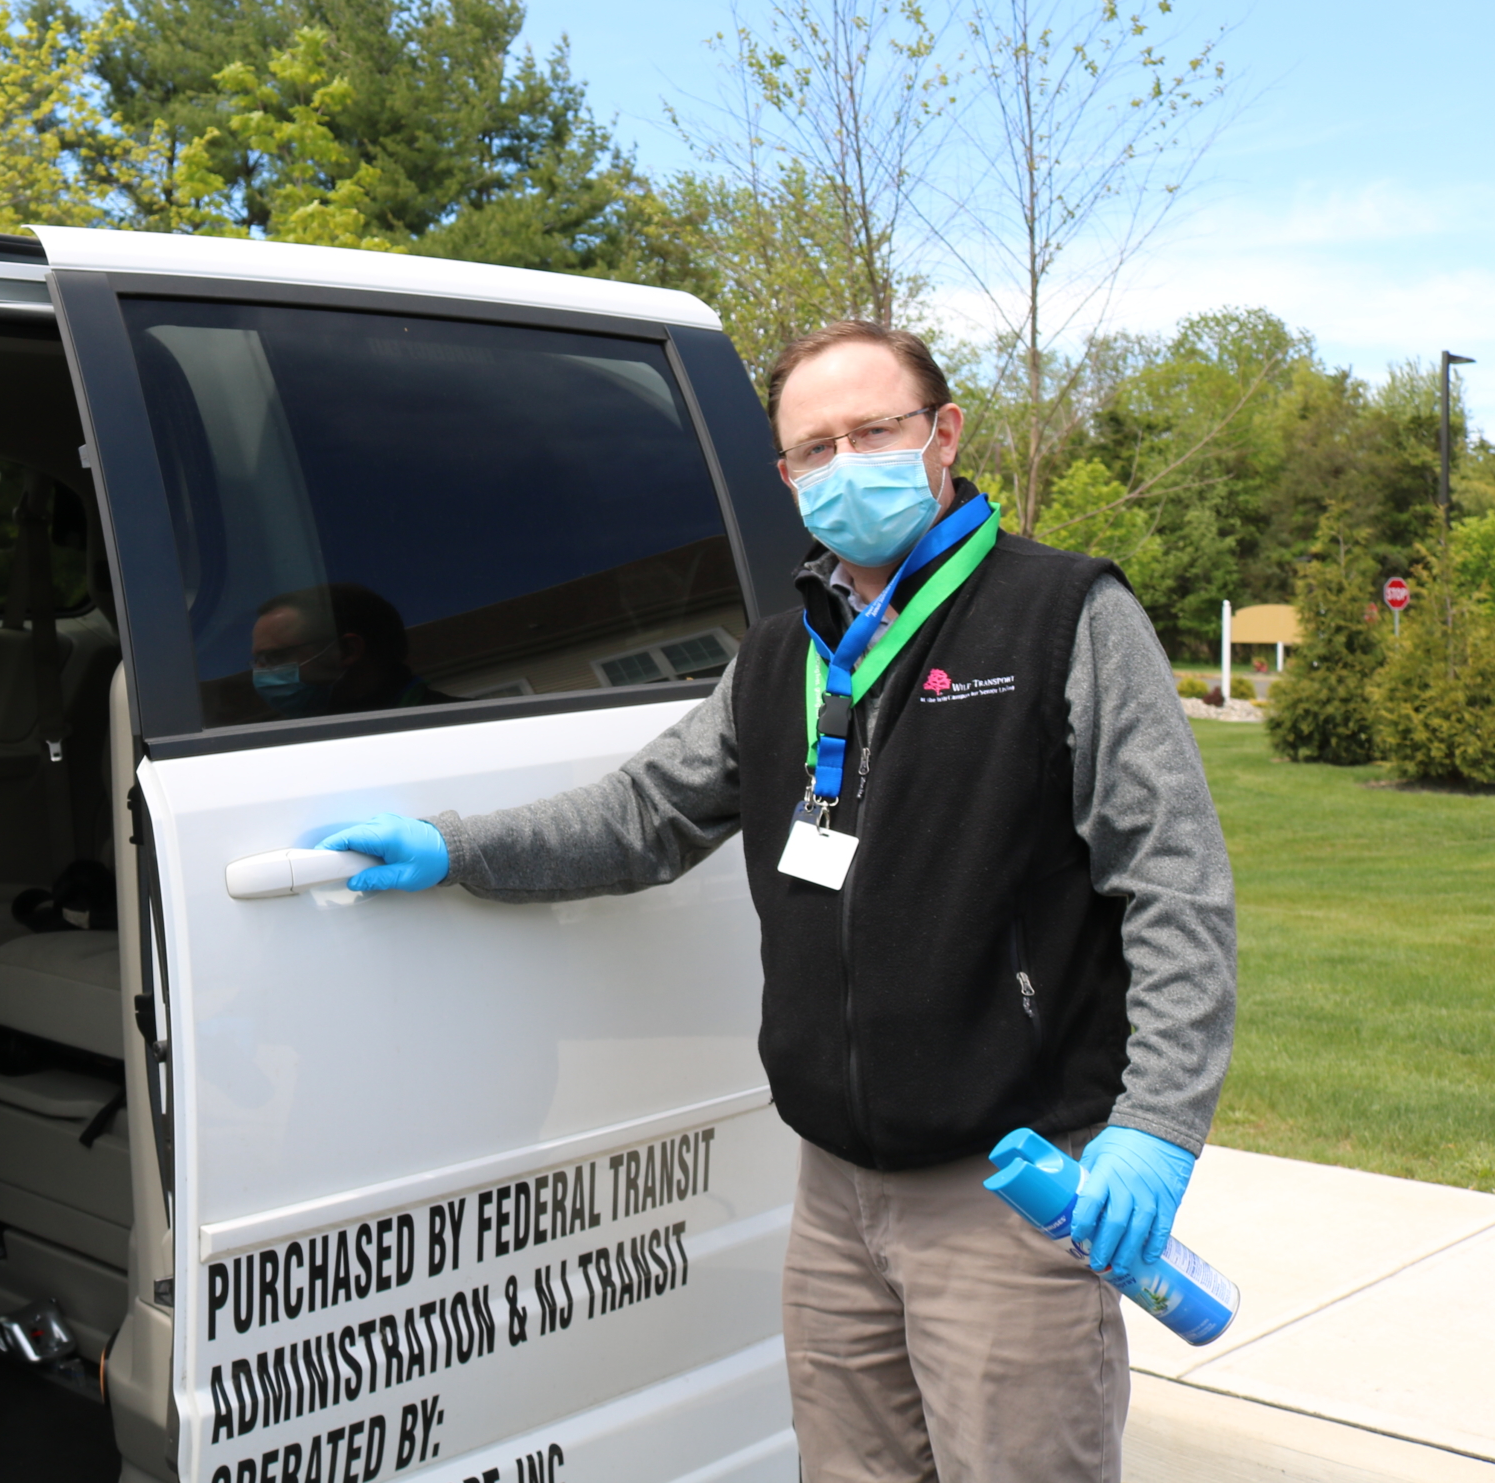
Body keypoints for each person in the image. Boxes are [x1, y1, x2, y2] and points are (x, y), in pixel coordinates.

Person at [321, 321, 1237, 1483]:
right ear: (787, 477)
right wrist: (450, 849)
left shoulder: (1062, 617)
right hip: (836, 1196)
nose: (847, 463)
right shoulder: (778, 659)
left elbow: (1173, 882)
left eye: (875, 431)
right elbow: (636, 820)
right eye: (817, 447)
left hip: (1011, 1188)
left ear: (942, 433)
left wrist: (1153, 1130)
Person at [248, 582, 455, 719]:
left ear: (346, 650)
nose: (259, 672)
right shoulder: (290, 749)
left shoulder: (461, 733)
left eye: (273, 657)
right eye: (257, 660)